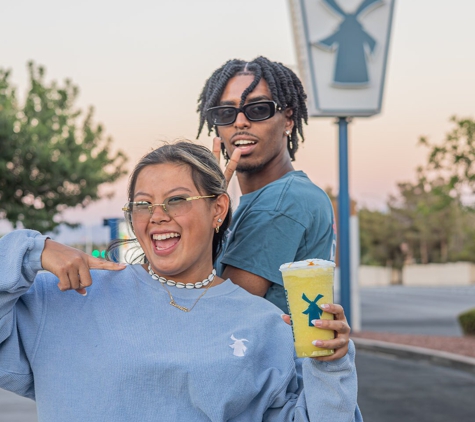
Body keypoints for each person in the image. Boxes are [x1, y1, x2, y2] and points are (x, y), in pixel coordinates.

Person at [0, 141, 361, 421]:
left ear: (218, 209)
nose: (157, 216)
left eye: (177, 200)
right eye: (143, 204)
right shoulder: (71, 296)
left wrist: (331, 364)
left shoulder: (266, 327)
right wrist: (31, 251)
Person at [197, 57, 342, 356]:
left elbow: (218, 312)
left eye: (258, 109)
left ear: (288, 119)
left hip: (271, 390)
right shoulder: (274, 197)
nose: (240, 122)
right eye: (226, 112)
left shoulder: (280, 203)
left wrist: (197, 215)